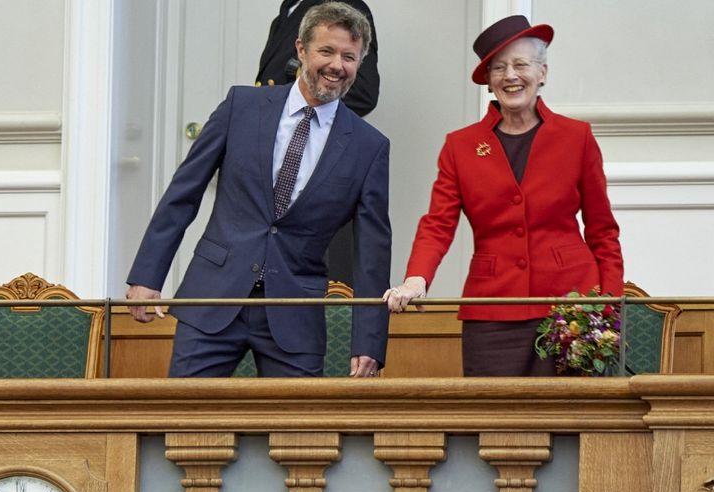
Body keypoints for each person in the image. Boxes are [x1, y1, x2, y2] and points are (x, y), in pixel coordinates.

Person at [127, 2, 391, 378]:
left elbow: (373, 251)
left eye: (349, 56)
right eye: (326, 51)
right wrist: (147, 276)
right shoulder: (242, 105)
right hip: (214, 298)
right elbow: (183, 192)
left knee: (297, 435)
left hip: (294, 316)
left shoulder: (369, 146)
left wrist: (369, 342)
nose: (337, 65)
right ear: (301, 50)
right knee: (185, 425)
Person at [383, 15, 624, 376]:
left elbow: (603, 230)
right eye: (499, 68)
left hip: (571, 309)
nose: (510, 75)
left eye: (521, 64)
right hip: (492, 310)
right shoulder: (461, 146)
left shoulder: (577, 137)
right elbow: (438, 224)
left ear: (542, 73)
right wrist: (417, 278)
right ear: (490, 81)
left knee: (573, 422)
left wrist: (608, 304)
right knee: (494, 425)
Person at [255, 0, 381, 287]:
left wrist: (307, 105)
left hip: (316, 156)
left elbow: (364, 92)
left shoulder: (345, 7)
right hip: (274, 157)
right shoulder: (289, 6)